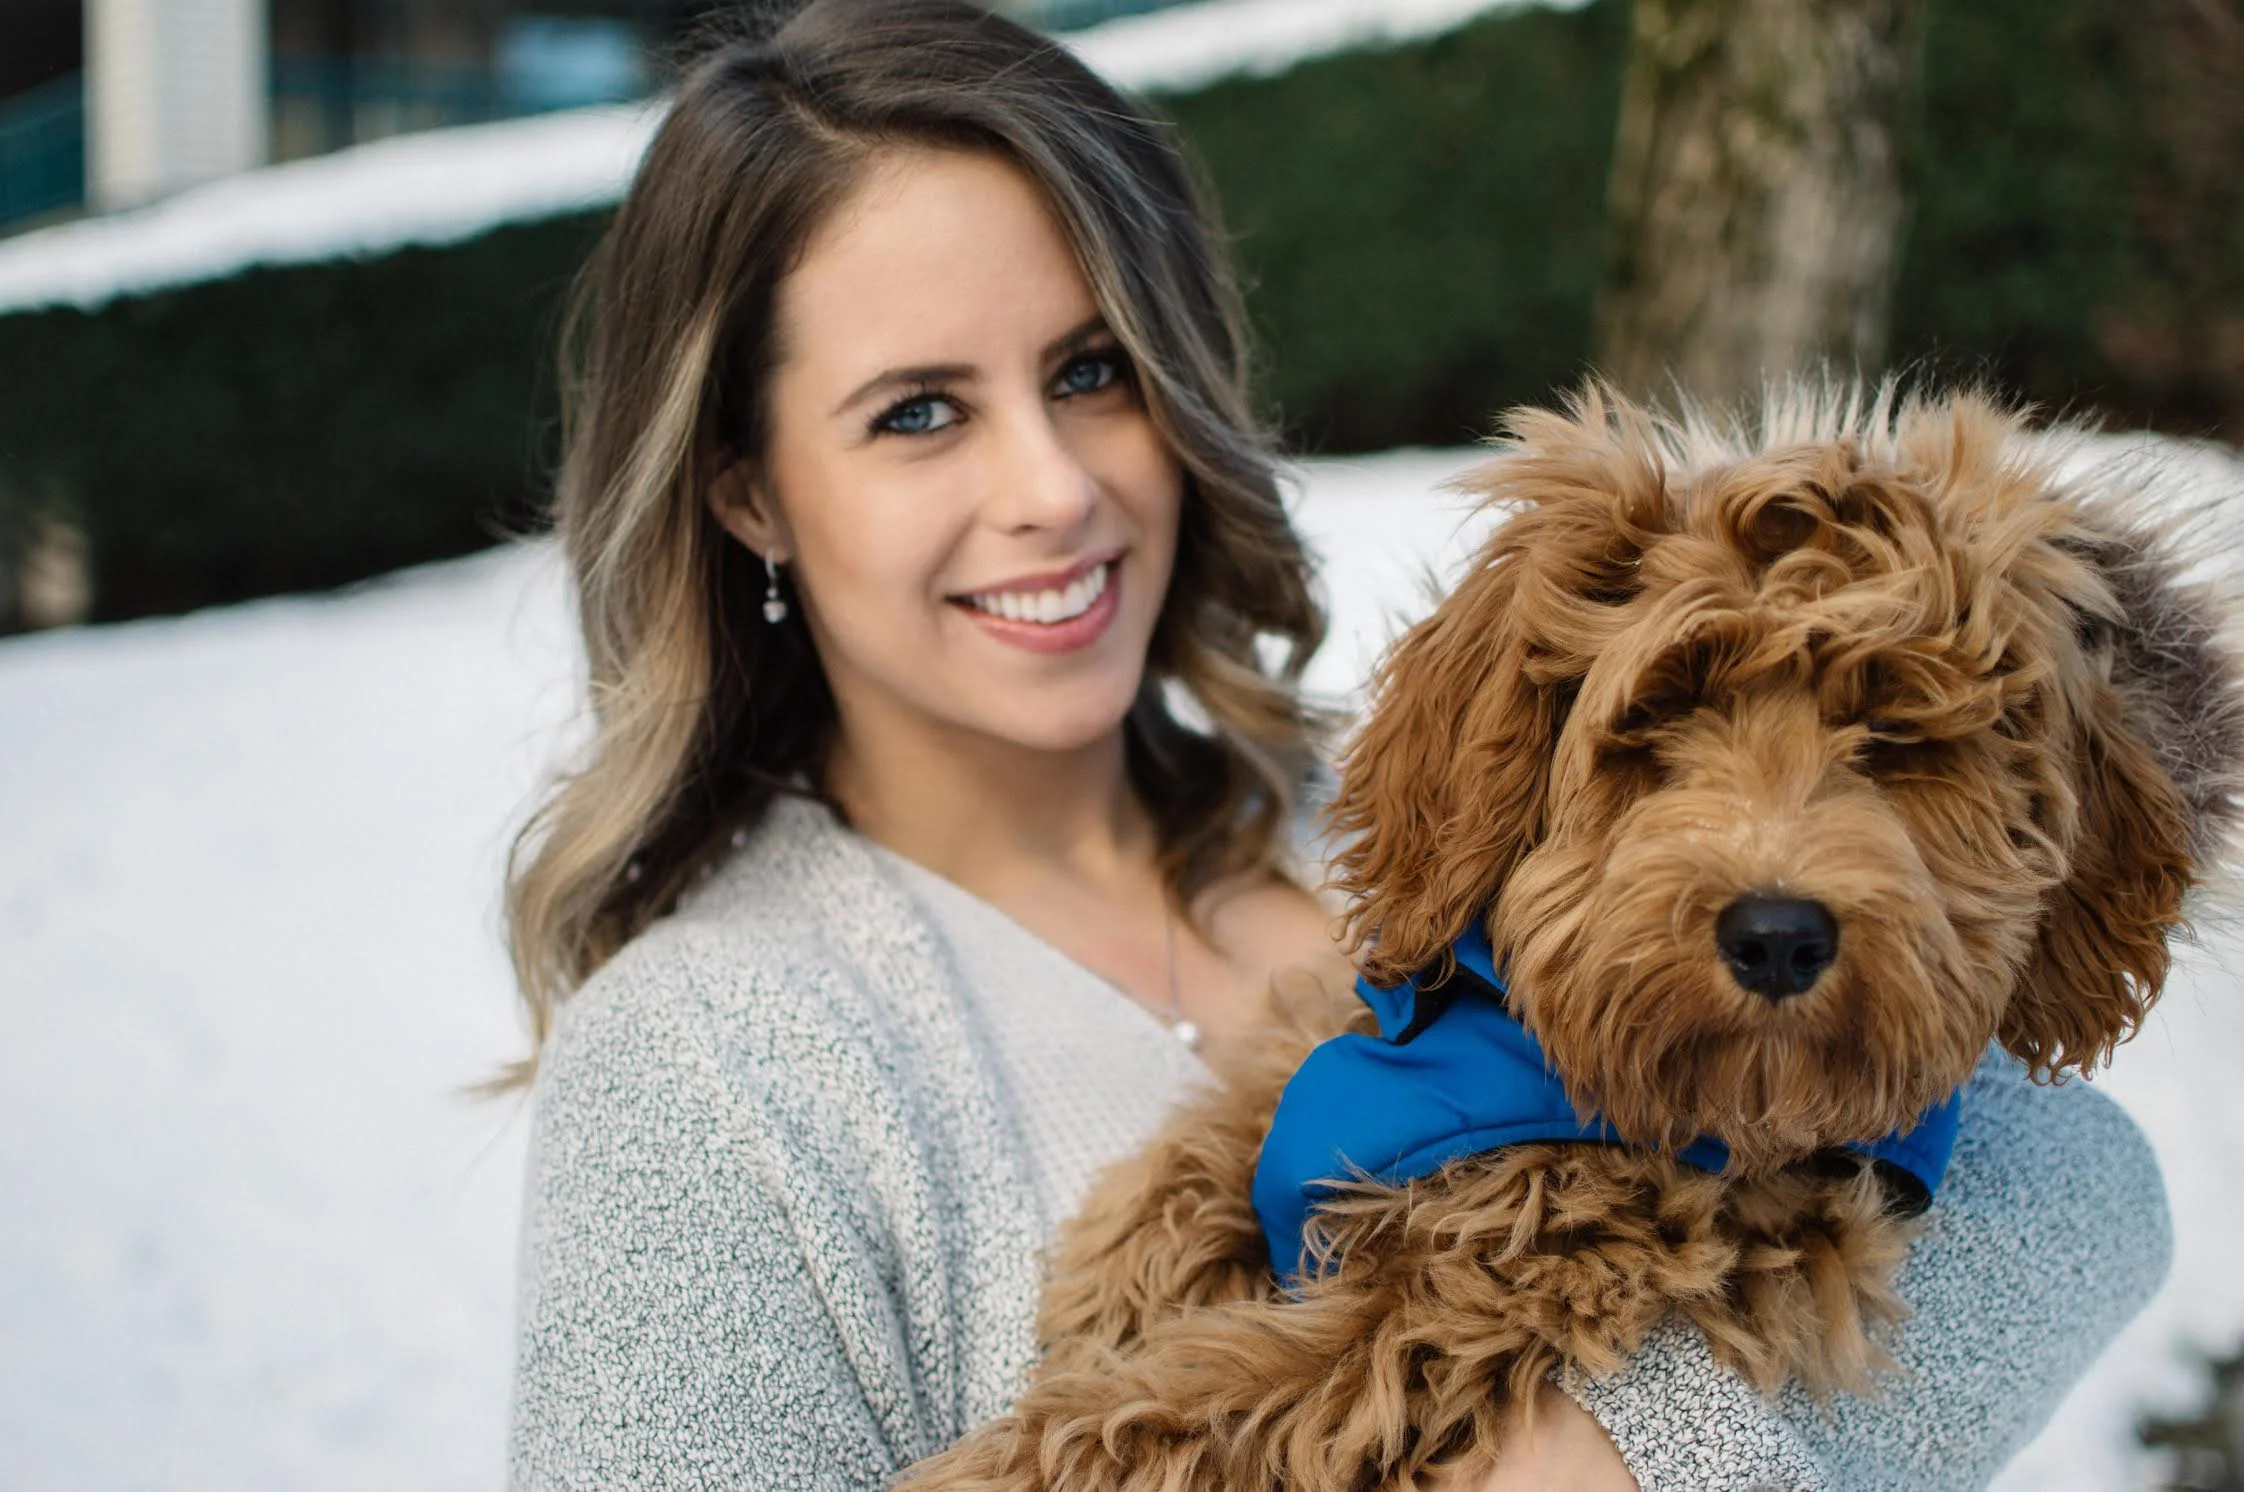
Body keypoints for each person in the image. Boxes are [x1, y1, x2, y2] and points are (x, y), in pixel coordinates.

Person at [501, 2, 2170, 1488]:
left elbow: (2084, 1186)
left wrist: (1639, 1452)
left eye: (1093, 372)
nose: (1051, 489)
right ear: (747, 491)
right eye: (918, 412)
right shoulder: (705, 1074)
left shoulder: (1445, 818)